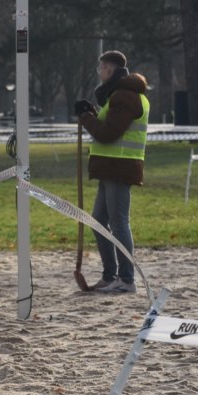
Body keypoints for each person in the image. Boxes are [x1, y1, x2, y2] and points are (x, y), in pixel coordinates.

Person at [75, 50, 149, 295]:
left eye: (101, 68)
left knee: (118, 223)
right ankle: (110, 276)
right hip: (110, 167)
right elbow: (110, 125)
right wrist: (92, 114)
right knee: (98, 221)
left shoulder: (125, 96)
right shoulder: (118, 95)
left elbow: (108, 134)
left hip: (119, 167)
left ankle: (126, 279)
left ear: (109, 69)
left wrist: (86, 118)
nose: (99, 73)